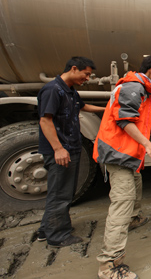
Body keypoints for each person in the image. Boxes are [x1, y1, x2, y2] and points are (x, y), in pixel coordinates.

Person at [93, 55, 151, 279]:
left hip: (124, 152)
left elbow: (133, 117)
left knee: (136, 183)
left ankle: (133, 218)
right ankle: (109, 264)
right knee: (123, 201)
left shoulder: (136, 86)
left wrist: (150, 127)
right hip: (118, 153)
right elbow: (124, 120)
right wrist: (147, 144)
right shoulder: (133, 86)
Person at [37, 56, 105, 247]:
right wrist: (58, 149)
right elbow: (45, 120)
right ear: (74, 68)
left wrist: (107, 110)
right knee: (61, 194)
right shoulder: (52, 90)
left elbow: (83, 107)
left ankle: (46, 229)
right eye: (86, 74)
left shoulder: (70, 91)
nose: (87, 78)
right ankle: (57, 236)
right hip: (61, 150)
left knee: (60, 191)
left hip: (70, 148)